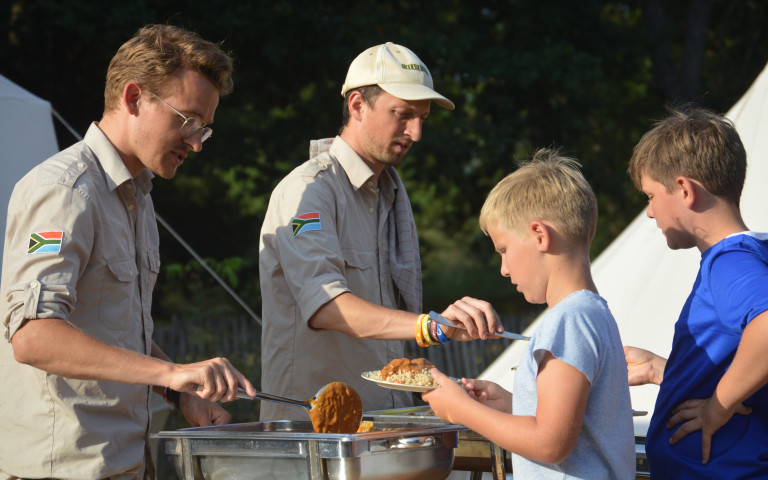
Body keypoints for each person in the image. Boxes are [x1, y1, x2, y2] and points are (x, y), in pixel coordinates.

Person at [0, 24, 257, 480]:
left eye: (205, 128)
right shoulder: (63, 190)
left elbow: (115, 332)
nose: (197, 143)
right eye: (188, 121)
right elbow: (33, 336)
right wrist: (170, 373)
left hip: (126, 463)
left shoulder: (137, 197)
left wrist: (179, 390)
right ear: (134, 98)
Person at [259, 42, 504, 420]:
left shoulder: (388, 195)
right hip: (314, 433)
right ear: (357, 105)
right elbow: (325, 307)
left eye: (422, 118)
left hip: (384, 420)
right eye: (403, 115)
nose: (416, 133)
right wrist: (430, 327)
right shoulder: (307, 193)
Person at [422, 149, 635, 479]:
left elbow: (551, 444)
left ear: (539, 235)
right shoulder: (591, 313)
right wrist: (514, 405)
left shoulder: (568, 321)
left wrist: (461, 410)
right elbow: (575, 426)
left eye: (504, 250)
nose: (504, 269)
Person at [623, 105, 768, 478]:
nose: (650, 213)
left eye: (651, 196)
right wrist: (665, 370)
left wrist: (718, 405)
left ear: (685, 190)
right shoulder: (745, 256)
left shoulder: (730, 261)